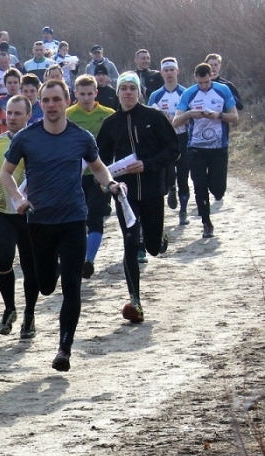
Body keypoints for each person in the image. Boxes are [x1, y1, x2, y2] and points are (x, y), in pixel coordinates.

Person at [0, 79, 123, 371]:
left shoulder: (81, 137)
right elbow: (6, 174)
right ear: (40, 104)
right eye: (46, 101)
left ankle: (64, 349)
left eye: (57, 99)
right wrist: (18, 198)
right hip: (39, 222)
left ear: (67, 100)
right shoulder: (26, 138)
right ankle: (50, 272)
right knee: (45, 286)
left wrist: (111, 184)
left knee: (72, 286)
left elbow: (97, 167)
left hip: (72, 220)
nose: (52, 105)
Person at [97, 72, 179, 323]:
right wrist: (109, 183)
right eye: (124, 89)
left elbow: (173, 150)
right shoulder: (111, 123)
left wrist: (148, 164)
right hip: (125, 193)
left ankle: (158, 238)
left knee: (152, 247)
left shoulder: (154, 117)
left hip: (153, 188)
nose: (128, 93)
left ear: (140, 92)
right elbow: (99, 159)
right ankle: (135, 300)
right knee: (131, 242)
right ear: (118, 93)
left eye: (133, 88)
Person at [0, 95, 40, 338]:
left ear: (28, 116)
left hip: (29, 214)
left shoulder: (37, 142)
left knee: (30, 266)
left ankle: (30, 316)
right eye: (8, 113)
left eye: (17, 114)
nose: (11, 118)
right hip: (2, 212)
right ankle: (9, 309)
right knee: (3, 260)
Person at [173, 63, 239, 238]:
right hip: (196, 147)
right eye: (200, 82)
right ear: (195, 77)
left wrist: (219, 116)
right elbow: (175, 121)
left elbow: (235, 117)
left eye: (207, 82)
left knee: (218, 190)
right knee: (199, 186)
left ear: (212, 76)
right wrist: (189, 114)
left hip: (219, 146)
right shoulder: (189, 93)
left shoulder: (223, 90)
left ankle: (215, 187)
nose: (203, 86)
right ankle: (206, 223)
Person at [66, 74, 115, 278]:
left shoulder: (109, 114)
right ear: (75, 93)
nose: (86, 98)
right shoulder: (67, 114)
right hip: (74, 176)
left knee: (95, 215)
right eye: (81, 94)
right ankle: (72, 257)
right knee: (77, 218)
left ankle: (89, 260)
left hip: (99, 174)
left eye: (89, 94)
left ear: (96, 93)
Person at [148, 57, 190, 225]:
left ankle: (184, 211)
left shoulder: (185, 93)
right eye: (166, 70)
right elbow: (150, 117)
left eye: (172, 70)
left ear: (177, 71)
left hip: (182, 137)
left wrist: (180, 119)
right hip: (164, 140)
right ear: (162, 73)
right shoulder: (156, 95)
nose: (170, 73)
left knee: (183, 174)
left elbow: (193, 115)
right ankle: (171, 188)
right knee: (168, 172)